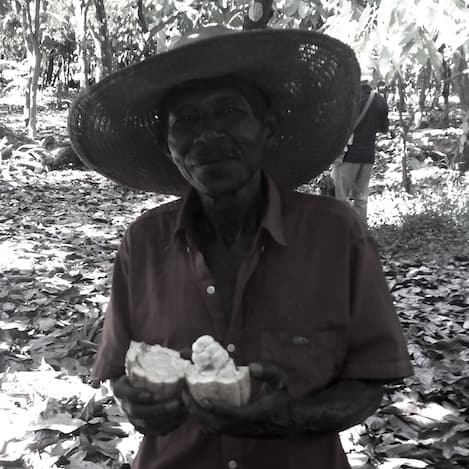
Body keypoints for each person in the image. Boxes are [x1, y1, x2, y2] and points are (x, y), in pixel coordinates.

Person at [68, 26, 413, 469]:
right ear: (166, 145)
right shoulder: (143, 243)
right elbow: (118, 371)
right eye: (186, 120)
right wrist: (137, 402)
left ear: (267, 127)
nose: (208, 134)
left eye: (229, 111)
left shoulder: (336, 235)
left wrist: (284, 417)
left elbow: (370, 381)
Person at [332, 73, 389, 222]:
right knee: (361, 199)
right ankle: (360, 234)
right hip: (368, 156)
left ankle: (342, 231)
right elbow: (384, 128)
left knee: (341, 199)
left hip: (348, 156)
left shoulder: (348, 100)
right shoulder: (380, 101)